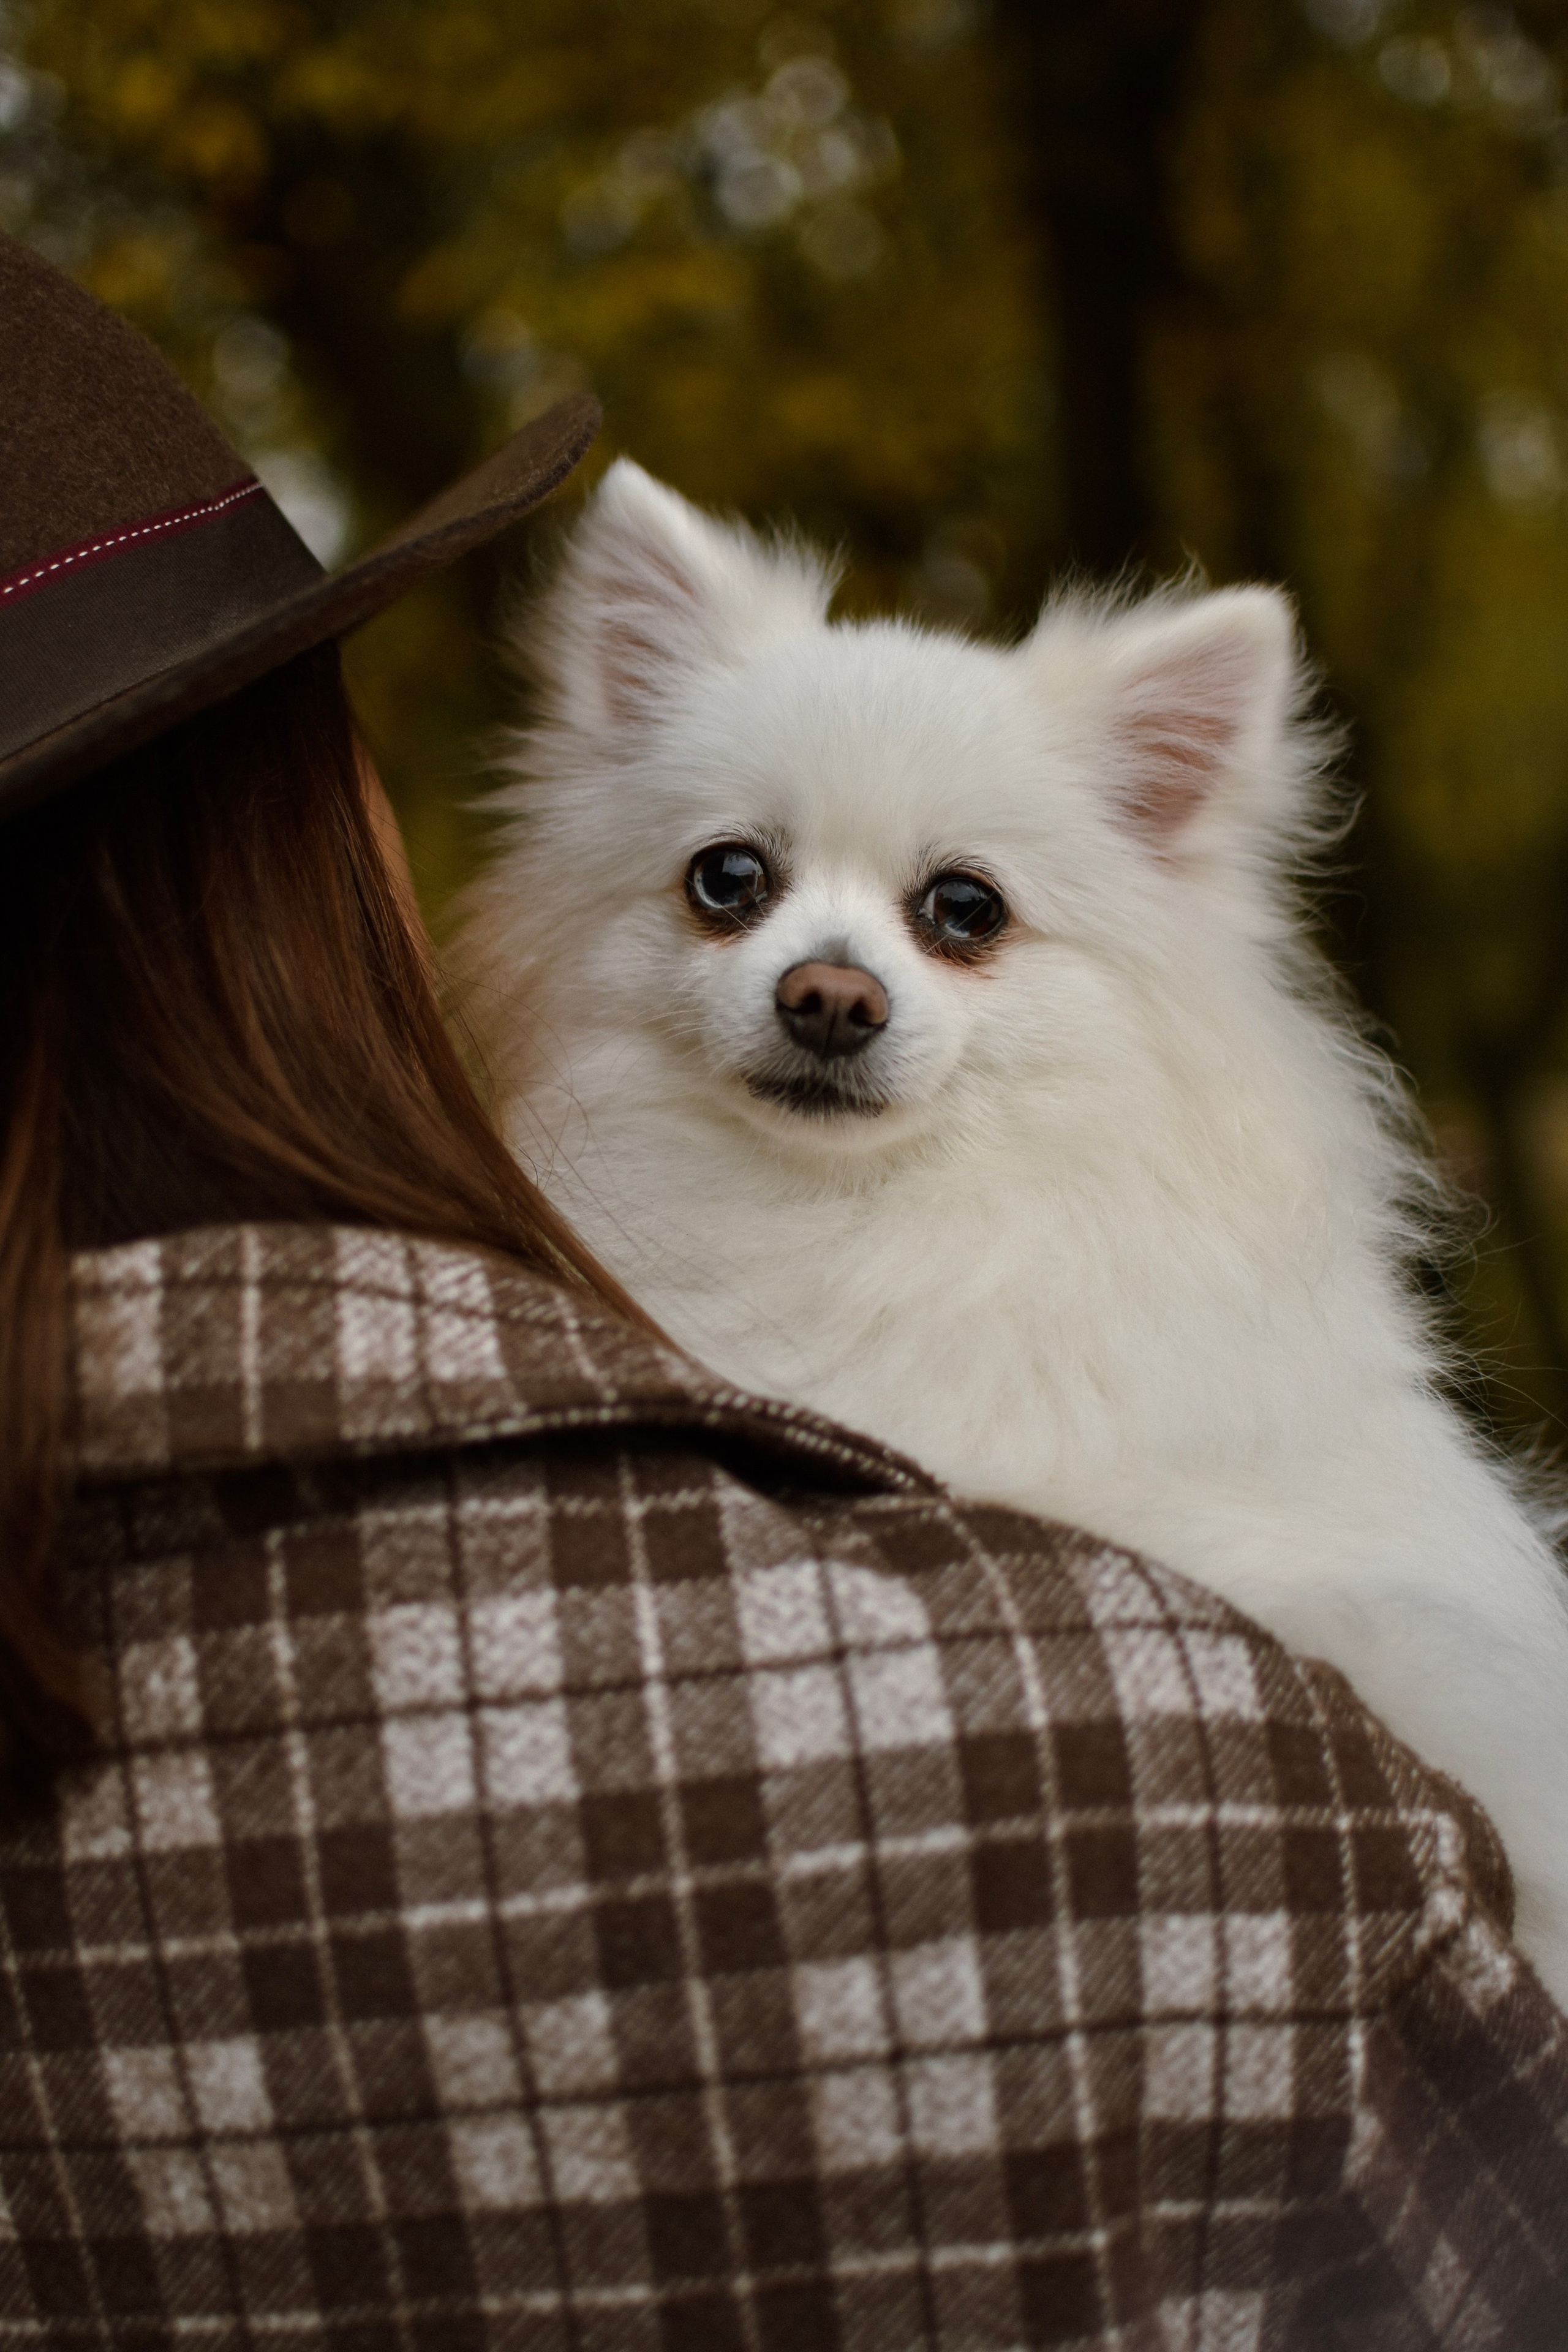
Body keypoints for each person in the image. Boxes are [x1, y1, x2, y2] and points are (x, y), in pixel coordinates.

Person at [0, 232, 1564, 2352]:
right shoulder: (1181, 1769)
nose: (830, 979)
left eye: (960, 917)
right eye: (730, 886)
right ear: (323, 836)